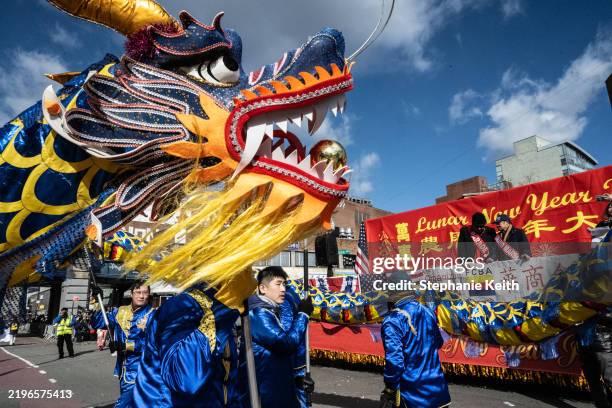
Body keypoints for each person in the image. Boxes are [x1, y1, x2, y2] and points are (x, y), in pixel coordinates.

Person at [243, 267, 312, 408]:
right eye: (278, 284)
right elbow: (285, 343)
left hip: (278, 382)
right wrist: (303, 315)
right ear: (263, 288)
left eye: (284, 284)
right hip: (266, 387)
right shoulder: (258, 314)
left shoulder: (272, 309)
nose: (283, 289)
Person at [90, 281, 154, 408]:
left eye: (145, 293)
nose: (141, 296)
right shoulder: (120, 312)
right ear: (131, 294)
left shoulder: (154, 315)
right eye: (138, 292)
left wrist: (126, 346)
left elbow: (154, 344)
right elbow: (98, 323)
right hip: (123, 370)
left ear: (149, 295)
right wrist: (98, 302)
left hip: (142, 372)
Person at [380, 296, 451, 408]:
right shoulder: (428, 311)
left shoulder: (393, 320)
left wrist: (390, 387)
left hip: (412, 395)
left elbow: (395, 362)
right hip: (438, 390)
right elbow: (438, 343)